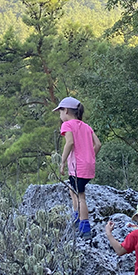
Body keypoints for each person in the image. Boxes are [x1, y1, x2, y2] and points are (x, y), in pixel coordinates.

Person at [54, 96, 101, 239]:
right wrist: (90, 156)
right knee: (73, 189)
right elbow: (98, 144)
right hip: (87, 165)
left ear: (66, 111)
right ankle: (76, 216)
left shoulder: (67, 125)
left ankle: (84, 227)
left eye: (60, 112)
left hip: (77, 166)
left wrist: (62, 162)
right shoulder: (86, 126)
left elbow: (69, 143)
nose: (60, 115)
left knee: (81, 196)